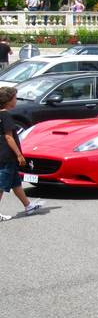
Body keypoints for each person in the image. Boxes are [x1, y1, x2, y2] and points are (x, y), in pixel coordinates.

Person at [0, 87, 44, 221]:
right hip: (7, 155)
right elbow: (9, 137)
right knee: (1, 184)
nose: (16, 100)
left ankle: (28, 205)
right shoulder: (6, 115)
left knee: (15, 182)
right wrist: (19, 154)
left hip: (3, 154)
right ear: (8, 101)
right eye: (14, 98)